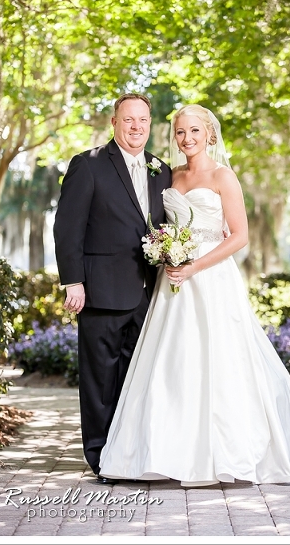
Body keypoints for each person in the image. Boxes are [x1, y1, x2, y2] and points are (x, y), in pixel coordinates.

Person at [98, 104, 290, 486]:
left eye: (194, 132)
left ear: (210, 135)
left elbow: (240, 236)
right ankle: (165, 451)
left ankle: (224, 453)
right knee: (171, 363)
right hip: (173, 279)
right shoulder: (169, 175)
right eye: (180, 133)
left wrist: (195, 266)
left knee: (219, 361)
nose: (186, 139)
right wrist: (166, 252)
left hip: (211, 278)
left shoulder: (223, 176)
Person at [53, 93, 173, 484]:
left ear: (150, 124)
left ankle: (131, 455)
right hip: (100, 291)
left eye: (143, 120)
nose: (136, 127)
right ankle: (101, 459)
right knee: (100, 381)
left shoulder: (162, 169)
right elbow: (67, 227)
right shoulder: (87, 165)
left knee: (137, 378)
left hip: (149, 293)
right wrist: (74, 280)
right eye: (128, 120)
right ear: (114, 123)